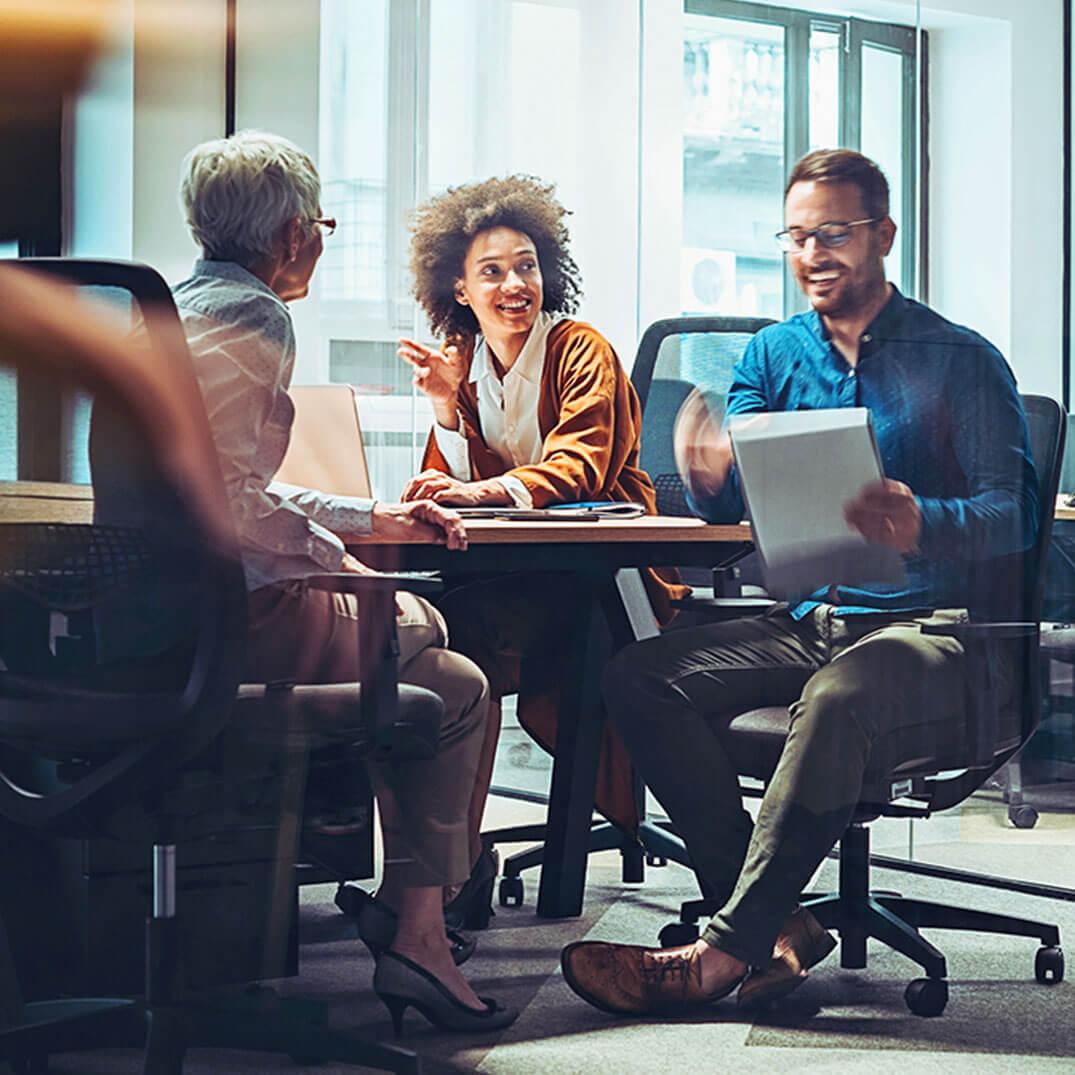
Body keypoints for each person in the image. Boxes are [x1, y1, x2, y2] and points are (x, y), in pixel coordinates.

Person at [560, 148, 1038, 1015]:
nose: (813, 252)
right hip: (814, 614)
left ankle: (719, 953)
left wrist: (922, 518)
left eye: (834, 233)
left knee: (838, 695)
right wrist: (709, 474)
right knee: (640, 677)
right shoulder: (771, 356)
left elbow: (1014, 516)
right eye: (796, 235)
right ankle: (777, 929)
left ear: (882, 235)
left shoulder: (961, 360)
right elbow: (741, 503)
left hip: (939, 629)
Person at [171, 130, 515, 1031]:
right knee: (434, 641)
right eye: (319, 224)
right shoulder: (256, 317)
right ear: (291, 235)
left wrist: (370, 516)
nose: (320, 241)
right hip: (235, 623)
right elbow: (235, 506)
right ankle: (417, 934)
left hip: (164, 625)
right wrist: (346, 561)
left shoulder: (168, 308)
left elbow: (228, 481)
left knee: (447, 685)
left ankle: (419, 930)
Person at [397, 175, 687, 891]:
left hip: (607, 577)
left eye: (525, 265)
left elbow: (581, 465)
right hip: (524, 573)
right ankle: (451, 861)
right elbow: (450, 484)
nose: (513, 284)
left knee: (468, 633)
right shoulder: (464, 366)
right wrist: (444, 407)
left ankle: (452, 869)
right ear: (459, 290)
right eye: (491, 272)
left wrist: (482, 489)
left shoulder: (580, 348)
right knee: (446, 632)